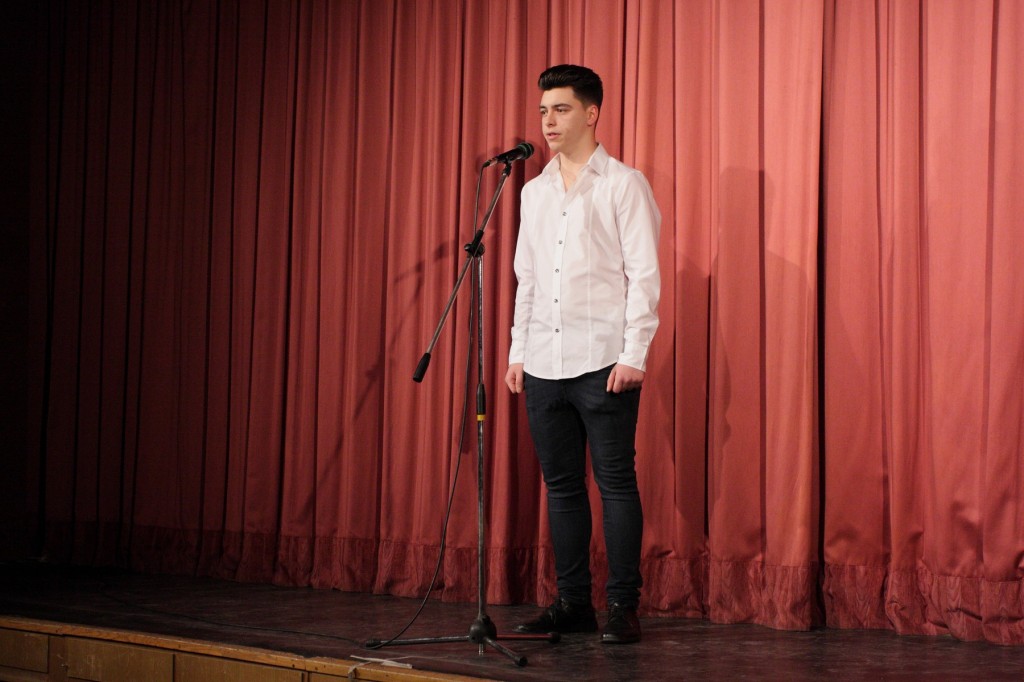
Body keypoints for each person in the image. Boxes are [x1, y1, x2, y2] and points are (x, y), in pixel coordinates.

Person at [504, 64, 661, 644]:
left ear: (591, 113)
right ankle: (573, 603)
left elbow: (643, 276)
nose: (548, 121)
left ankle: (622, 604)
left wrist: (634, 353)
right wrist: (518, 351)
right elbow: (527, 278)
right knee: (562, 486)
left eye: (561, 109)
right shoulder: (534, 191)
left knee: (616, 483)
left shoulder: (623, 184)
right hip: (544, 362)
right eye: (544, 110)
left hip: (604, 361)